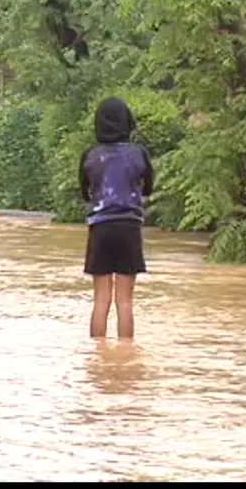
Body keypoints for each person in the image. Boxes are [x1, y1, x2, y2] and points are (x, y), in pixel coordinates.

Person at [79, 96, 154, 339]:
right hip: (129, 228)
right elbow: (148, 188)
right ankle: (124, 358)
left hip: (100, 229)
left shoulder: (90, 156)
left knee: (101, 301)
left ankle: (97, 357)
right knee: (125, 302)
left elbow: (85, 192)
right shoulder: (138, 154)